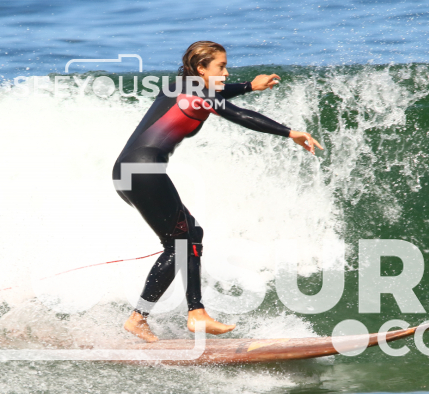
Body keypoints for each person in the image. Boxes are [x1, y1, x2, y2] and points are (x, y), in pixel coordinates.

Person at [113, 41, 323, 342]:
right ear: (201, 68)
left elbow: (217, 96)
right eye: (220, 67)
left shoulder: (179, 87)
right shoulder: (197, 91)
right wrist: (290, 132)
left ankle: (154, 316)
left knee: (189, 236)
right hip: (144, 172)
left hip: (127, 172)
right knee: (180, 243)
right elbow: (236, 113)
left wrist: (249, 86)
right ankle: (182, 314)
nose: (226, 72)